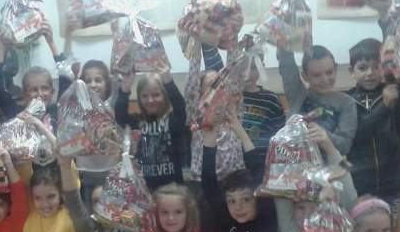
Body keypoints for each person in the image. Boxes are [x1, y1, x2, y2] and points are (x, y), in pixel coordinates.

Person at [201, 43, 286, 180]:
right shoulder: (226, 97)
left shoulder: (271, 100)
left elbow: (279, 138)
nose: (247, 74)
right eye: (242, 67)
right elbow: (212, 62)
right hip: (227, 170)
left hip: (260, 168)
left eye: (253, 68)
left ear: (262, 67)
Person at [346, 38, 400, 212]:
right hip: (358, 184)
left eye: (376, 66)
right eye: (362, 68)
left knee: (389, 226)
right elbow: (357, 134)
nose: (370, 73)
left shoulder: (394, 93)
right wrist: (384, 106)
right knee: (362, 226)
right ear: (351, 71)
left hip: (392, 183)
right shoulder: (346, 101)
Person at [276, 41, 357, 156]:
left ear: (336, 69)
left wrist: (324, 137)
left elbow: (345, 147)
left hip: (330, 165)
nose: (324, 79)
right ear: (305, 76)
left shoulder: (347, 103)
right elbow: (286, 65)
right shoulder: (297, 93)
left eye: (329, 72)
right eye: (316, 75)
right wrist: (287, 39)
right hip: (292, 162)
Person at [115, 70, 188, 190]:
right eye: (145, 96)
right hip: (146, 190)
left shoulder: (173, 121)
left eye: (156, 95)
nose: (150, 100)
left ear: (165, 95)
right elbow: (120, 116)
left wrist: (168, 81)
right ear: (139, 98)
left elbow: (180, 106)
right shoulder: (138, 122)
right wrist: (125, 88)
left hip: (173, 190)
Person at [74, 59, 120, 202]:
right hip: (85, 171)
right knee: (88, 211)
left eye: (98, 80)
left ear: (107, 83)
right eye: (88, 81)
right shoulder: (77, 109)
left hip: (110, 170)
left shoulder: (112, 105)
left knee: (110, 209)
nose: (93, 85)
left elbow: (119, 83)